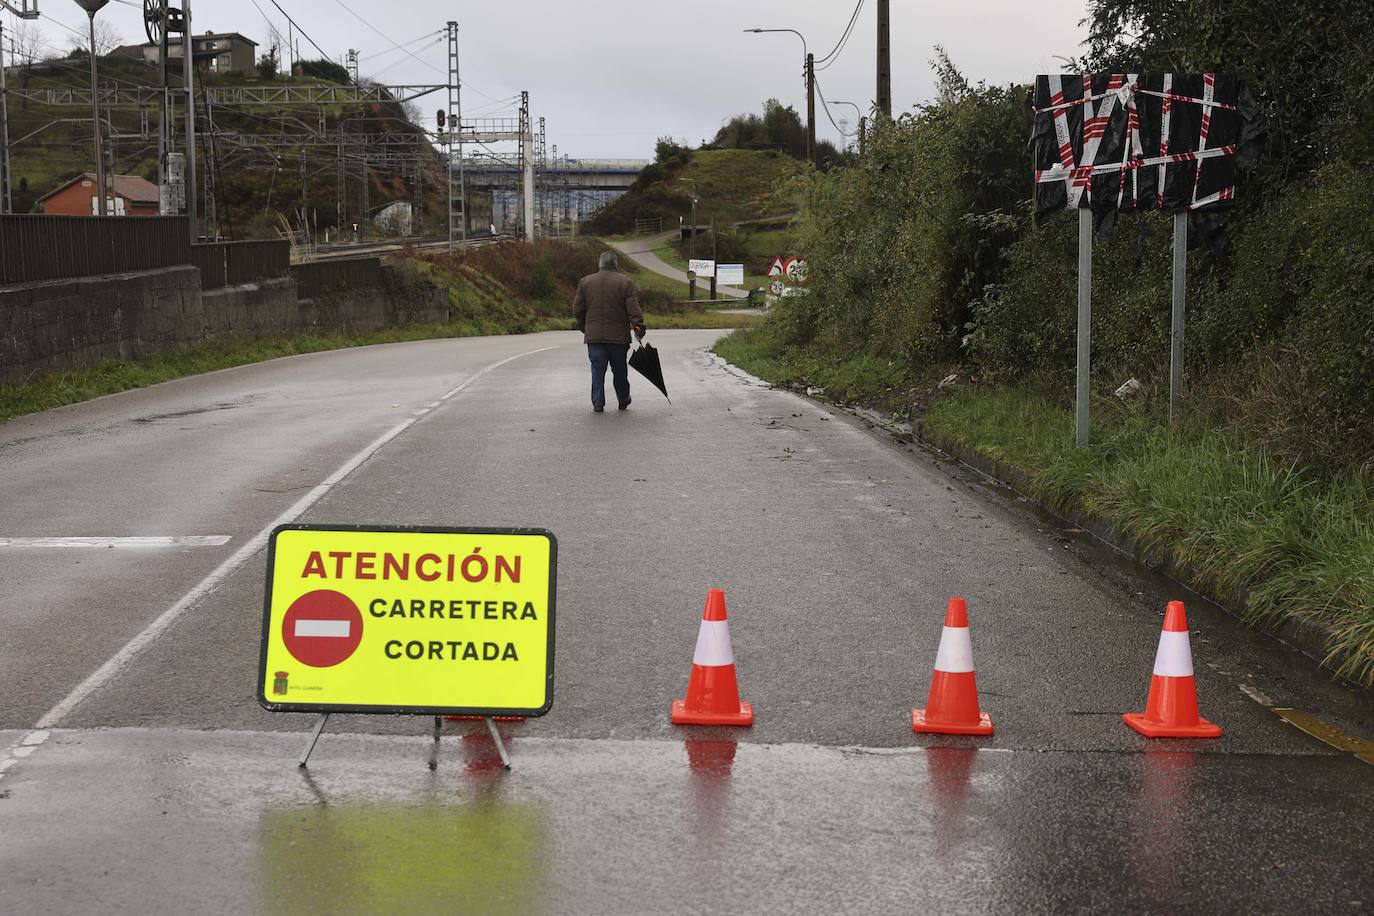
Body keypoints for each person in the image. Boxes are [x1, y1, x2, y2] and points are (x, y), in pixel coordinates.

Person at [573, 251, 645, 412]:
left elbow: (578, 309)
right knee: (619, 370)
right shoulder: (625, 282)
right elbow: (634, 310)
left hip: (595, 337)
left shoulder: (585, 282)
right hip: (619, 338)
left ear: (600, 264)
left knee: (597, 370)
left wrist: (585, 328)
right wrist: (638, 328)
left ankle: (598, 402)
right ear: (615, 264)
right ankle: (623, 399)